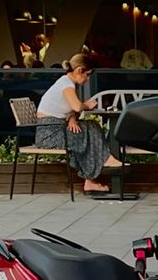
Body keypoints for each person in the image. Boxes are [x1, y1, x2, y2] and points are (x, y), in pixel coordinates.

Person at [35, 52, 122, 195]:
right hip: (49, 134)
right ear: (79, 70)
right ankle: (104, 162)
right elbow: (76, 107)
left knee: (91, 127)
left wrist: (72, 119)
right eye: (87, 75)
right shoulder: (66, 85)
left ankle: (92, 179)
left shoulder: (66, 83)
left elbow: (67, 109)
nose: (87, 79)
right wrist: (87, 105)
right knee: (88, 132)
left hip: (57, 128)